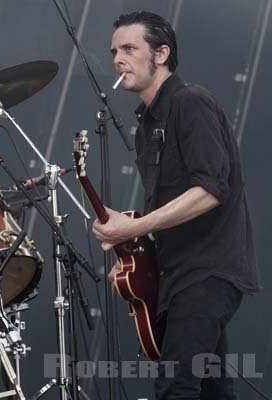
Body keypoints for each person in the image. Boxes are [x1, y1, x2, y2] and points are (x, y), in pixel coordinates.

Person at [92, 11, 259, 399]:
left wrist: (134, 227)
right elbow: (170, 207)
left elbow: (212, 189)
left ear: (162, 53)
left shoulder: (191, 102)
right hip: (177, 274)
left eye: (130, 48)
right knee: (212, 390)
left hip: (207, 272)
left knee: (176, 386)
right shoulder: (147, 124)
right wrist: (131, 239)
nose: (118, 58)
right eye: (114, 50)